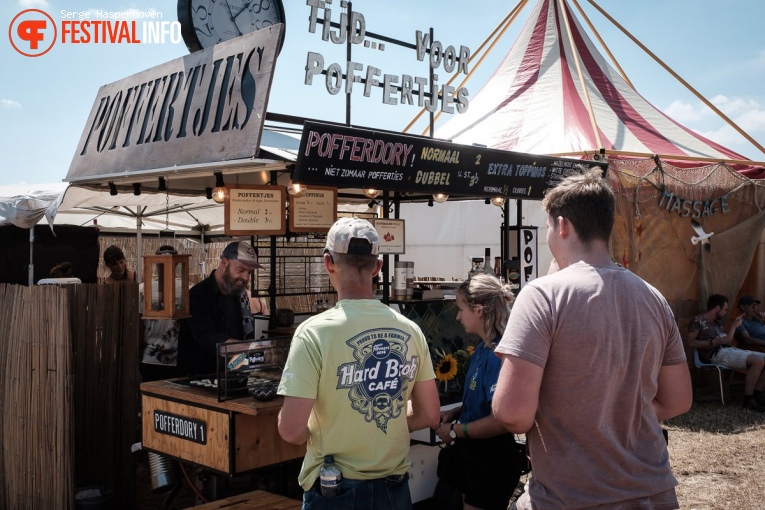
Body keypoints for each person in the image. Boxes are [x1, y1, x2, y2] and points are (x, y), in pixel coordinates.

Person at [492, 169, 692, 510]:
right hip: (653, 493)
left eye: (548, 229)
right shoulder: (653, 297)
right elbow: (678, 401)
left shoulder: (542, 295)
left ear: (563, 225)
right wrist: (615, 416)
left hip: (571, 497)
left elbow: (513, 414)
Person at [277, 218, 440, 510]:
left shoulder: (314, 332)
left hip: (335, 488)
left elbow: (291, 430)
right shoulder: (410, 330)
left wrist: (328, 433)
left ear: (328, 263)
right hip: (395, 487)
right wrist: (387, 426)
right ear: (377, 267)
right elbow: (430, 415)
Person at [434, 274, 524, 510]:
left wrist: (455, 431)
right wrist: (457, 411)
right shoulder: (484, 348)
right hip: (474, 456)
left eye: (461, 308)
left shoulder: (498, 356)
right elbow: (483, 402)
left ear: (479, 310)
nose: (457, 316)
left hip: (491, 460)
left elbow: (500, 421)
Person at [177, 241, 262, 376]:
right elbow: (206, 338)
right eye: (240, 270)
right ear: (224, 263)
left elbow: (239, 335)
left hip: (228, 378)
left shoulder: (236, 294)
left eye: (249, 272)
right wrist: (248, 347)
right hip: (199, 379)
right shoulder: (198, 295)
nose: (245, 277)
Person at [687, 294, 765, 411]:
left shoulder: (717, 324)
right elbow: (691, 342)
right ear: (717, 308)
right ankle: (748, 400)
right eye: (724, 309)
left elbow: (727, 342)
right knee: (757, 360)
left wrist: (734, 326)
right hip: (714, 354)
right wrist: (712, 342)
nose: (725, 313)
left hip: (727, 350)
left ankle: (757, 395)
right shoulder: (698, 320)